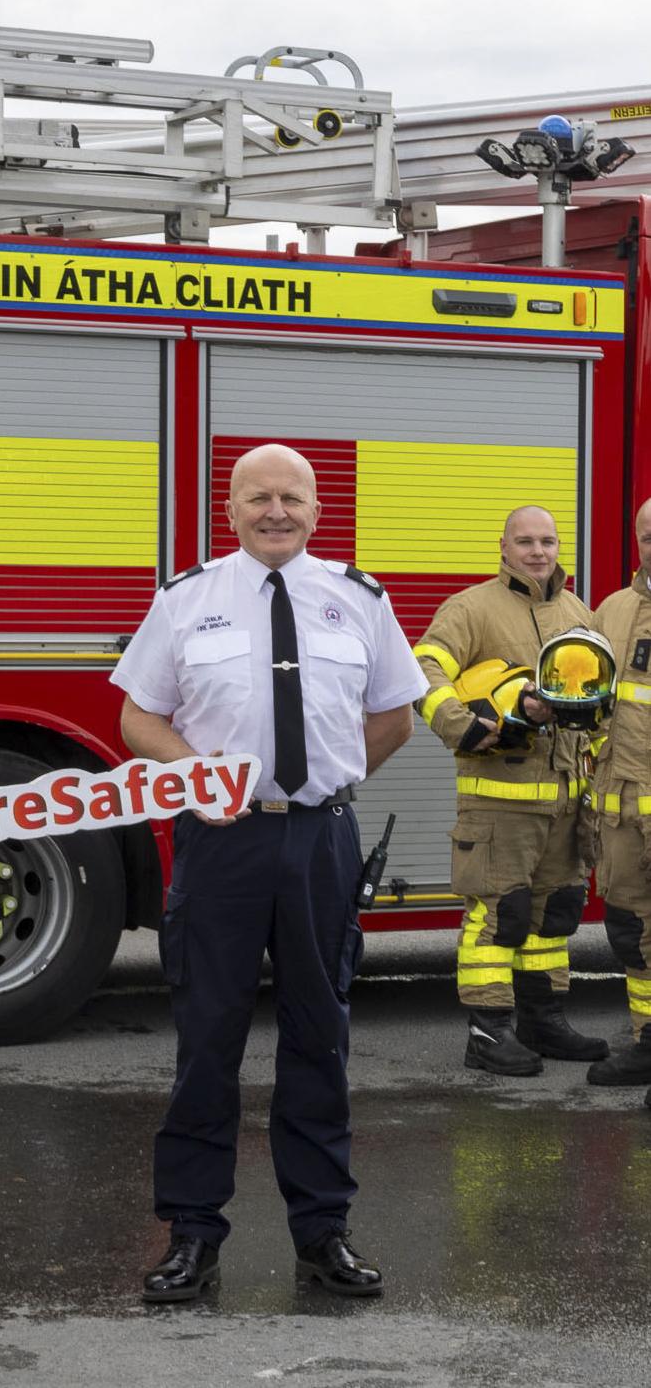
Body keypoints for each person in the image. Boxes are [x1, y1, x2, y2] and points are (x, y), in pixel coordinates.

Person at [113, 443, 421, 1303]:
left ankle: (323, 1233)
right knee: (207, 1040)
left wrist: (333, 777)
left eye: (291, 497)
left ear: (316, 509)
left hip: (320, 840)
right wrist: (193, 777)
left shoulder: (357, 599)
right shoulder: (187, 600)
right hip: (222, 844)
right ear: (231, 508)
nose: (275, 511)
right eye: (258, 498)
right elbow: (139, 714)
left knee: (320, 1039)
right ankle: (191, 1236)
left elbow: (395, 712)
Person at [413, 505, 606, 1075]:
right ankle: (488, 1032)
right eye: (524, 541)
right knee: (499, 914)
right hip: (499, 799)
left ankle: (542, 1021)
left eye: (546, 540)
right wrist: (460, 724)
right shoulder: (472, 608)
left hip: (565, 798)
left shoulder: (577, 611)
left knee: (553, 915)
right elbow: (423, 665)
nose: (537, 551)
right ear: (502, 547)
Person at [586, 497, 651, 1098]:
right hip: (623, 809)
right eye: (649, 537)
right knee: (630, 930)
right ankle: (645, 1039)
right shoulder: (614, 609)